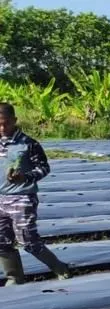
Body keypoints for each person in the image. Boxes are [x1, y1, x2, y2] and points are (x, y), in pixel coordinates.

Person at [0, 102, 71, 283]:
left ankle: (60, 268)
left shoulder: (28, 144)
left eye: (6, 123)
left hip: (22, 197)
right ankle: (14, 278)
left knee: (28, 241)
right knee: (1, 242)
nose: (2, 127)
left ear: (14, 120)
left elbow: (44, 168)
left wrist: (25, 177)